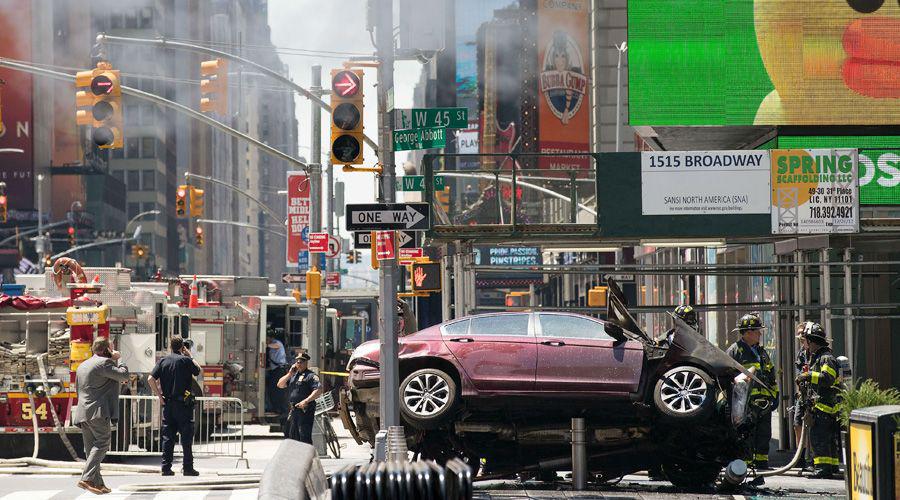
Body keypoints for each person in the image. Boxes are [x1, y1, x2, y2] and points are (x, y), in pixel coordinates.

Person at [73, 337, 130, 495]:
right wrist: (120, 359)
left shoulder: (83, 365)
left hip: (83, 412)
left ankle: (98, 483)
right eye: (112, 348)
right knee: (103, 443)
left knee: (91, 448)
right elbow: (124, 376)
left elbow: (78, 389)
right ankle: (86, 478)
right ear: (107, 350)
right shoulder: (104, 363)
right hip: (97, 412)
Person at [726, 313, 778, 470]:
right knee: (746, 434)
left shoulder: (761, 352)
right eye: (757, 331)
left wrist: (774, 396)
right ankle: (745, 464)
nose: (760, 334)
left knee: (763, 435)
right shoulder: (735, 351)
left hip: (764, 403)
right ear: (748, 332)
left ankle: (761, 462)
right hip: (746, 405)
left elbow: (771, 375)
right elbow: (728, 376)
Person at [148, 336, 201, 476]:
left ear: (170, 346)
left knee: (168, 437)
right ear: (182, 347)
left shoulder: (163, 361)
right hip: (183, 405)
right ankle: (188, 468)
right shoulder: (186, 360)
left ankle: (166, 468)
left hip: (168, 404)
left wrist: (159, 396)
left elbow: (150, 379)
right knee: (186, 438)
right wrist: (190, 355)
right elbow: (198, 370)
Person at [795, 322, 842, 479]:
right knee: (828, 440)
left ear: (811, 341)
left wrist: (809, 376)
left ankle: (823, 469)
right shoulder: (817, 357)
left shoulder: (825, 358)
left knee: (820, 439)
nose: (804, 345)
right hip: (821, 408)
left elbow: (828, 378)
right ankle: (831, 466)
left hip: (824, 408)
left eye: (805, 340)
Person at [277, 352, 322, 444]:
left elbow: (318, 390)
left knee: (304, 436)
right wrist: (289, 374)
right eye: (297, 362)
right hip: (294, 409)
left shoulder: (311, 376)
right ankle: (297, 457)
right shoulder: (293, 375)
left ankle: (308, 457)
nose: (299, 364)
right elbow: (280, 385)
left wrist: (306, 401)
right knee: (293, 436)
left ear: (306, 363)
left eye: (301, 362)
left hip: (305, 409)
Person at [792, 322, 812, 472]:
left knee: (814, 427)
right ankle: (800, 457)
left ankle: (814, 459)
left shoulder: (819, 353)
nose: (800, 338)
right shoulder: (801, 353)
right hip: (802, 395)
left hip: (815, 396)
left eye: (802, 335)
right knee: (797, 423)